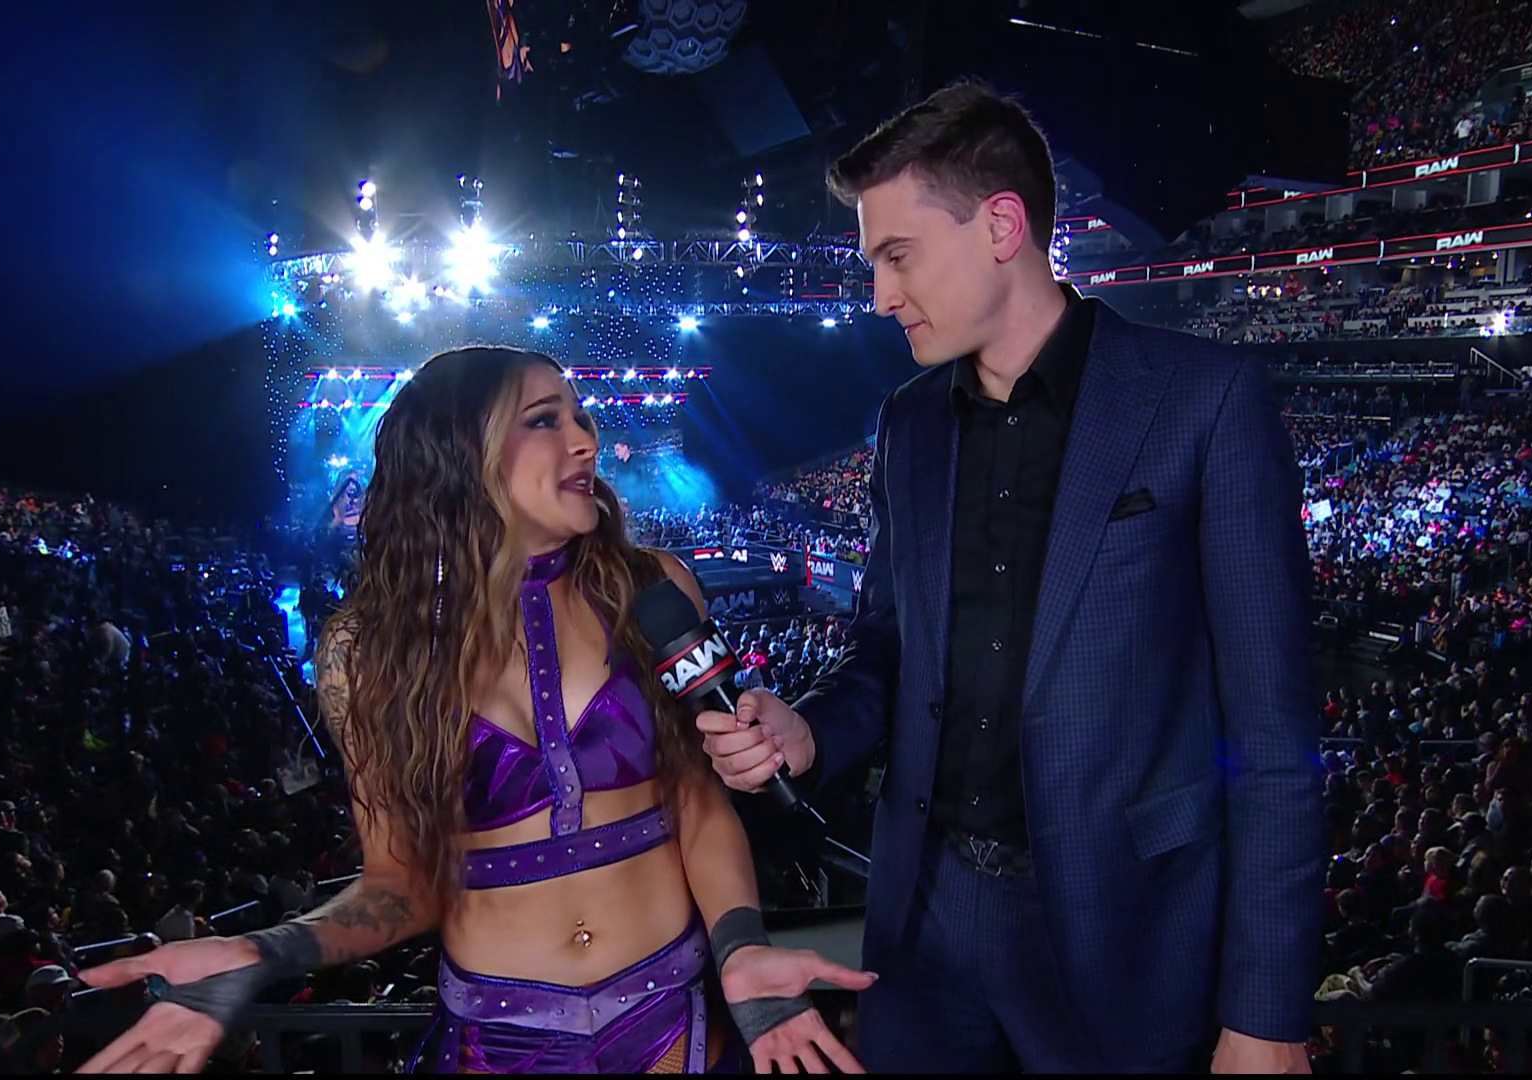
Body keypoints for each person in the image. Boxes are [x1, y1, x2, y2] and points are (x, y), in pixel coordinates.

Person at [697, 82, 1321, 1072]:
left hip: (1119, 932)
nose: (879, 297)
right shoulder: (907, 422)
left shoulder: (1206, 400)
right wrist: (810, 729)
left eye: (898, 256)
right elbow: (886, 651)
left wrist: (1269, 1014)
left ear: (1000, 226)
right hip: (924, 921)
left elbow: (1275, 736)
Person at [73, 347, 871, 1074]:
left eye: (580, 417)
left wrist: (740, 947)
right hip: (499, 1043)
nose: (585, 440)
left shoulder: (655, 588)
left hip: (678, 1024)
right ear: (460, 451)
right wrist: (265, 951)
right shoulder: (368, 648)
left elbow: (697, 807)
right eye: (545, 421)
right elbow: (402, 883)